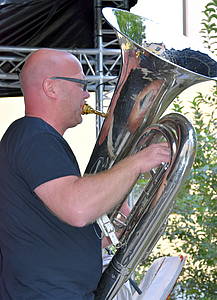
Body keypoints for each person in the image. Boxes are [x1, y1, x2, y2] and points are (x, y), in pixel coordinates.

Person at [0, 49, 170, 300]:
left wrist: (118, 225)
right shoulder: (33, 135)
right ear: (51, 88)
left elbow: (57, 233)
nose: (87, 94)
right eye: (81, 84)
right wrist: (138, 162)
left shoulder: (39, 140)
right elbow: (77, 208)